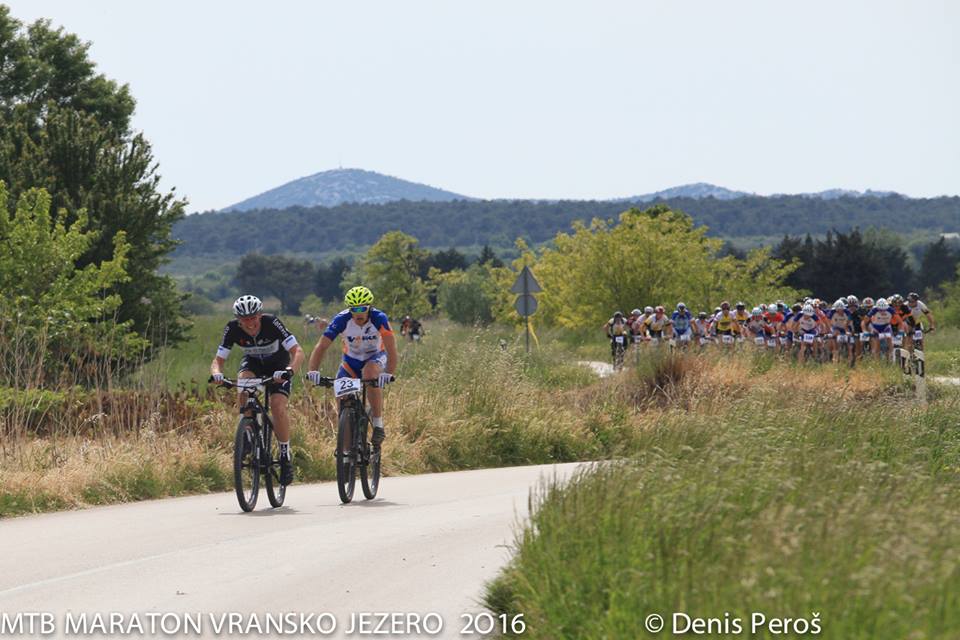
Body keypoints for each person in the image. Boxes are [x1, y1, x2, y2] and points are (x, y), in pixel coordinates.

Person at [211, 295, 304, 486]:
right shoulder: (232, 329)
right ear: (238, 320)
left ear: (260, 315)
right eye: (245, 320)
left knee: (278, 406)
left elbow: (297, 351)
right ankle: (248, 430)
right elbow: (218, 360)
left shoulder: (272, 323)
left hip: (278, 366)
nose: (250, 323)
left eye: (253, 318)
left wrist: (289, 371)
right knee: (243, 386)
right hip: (253, 364)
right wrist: (217, 374)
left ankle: (285, 454)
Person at [306, 286, 398, 447]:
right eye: (354, 309)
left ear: (369, 307)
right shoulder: (341, 320)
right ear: (349, 309)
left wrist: (388, 373)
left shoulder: (379, 318)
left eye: (362, 308)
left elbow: (391, 349)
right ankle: (347, 453)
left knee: (369, 373)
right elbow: (321, 347)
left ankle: (378, 424)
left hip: (375, 357)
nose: (358, 313)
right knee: (342, 399)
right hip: (351, 360)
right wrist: (313, 371)